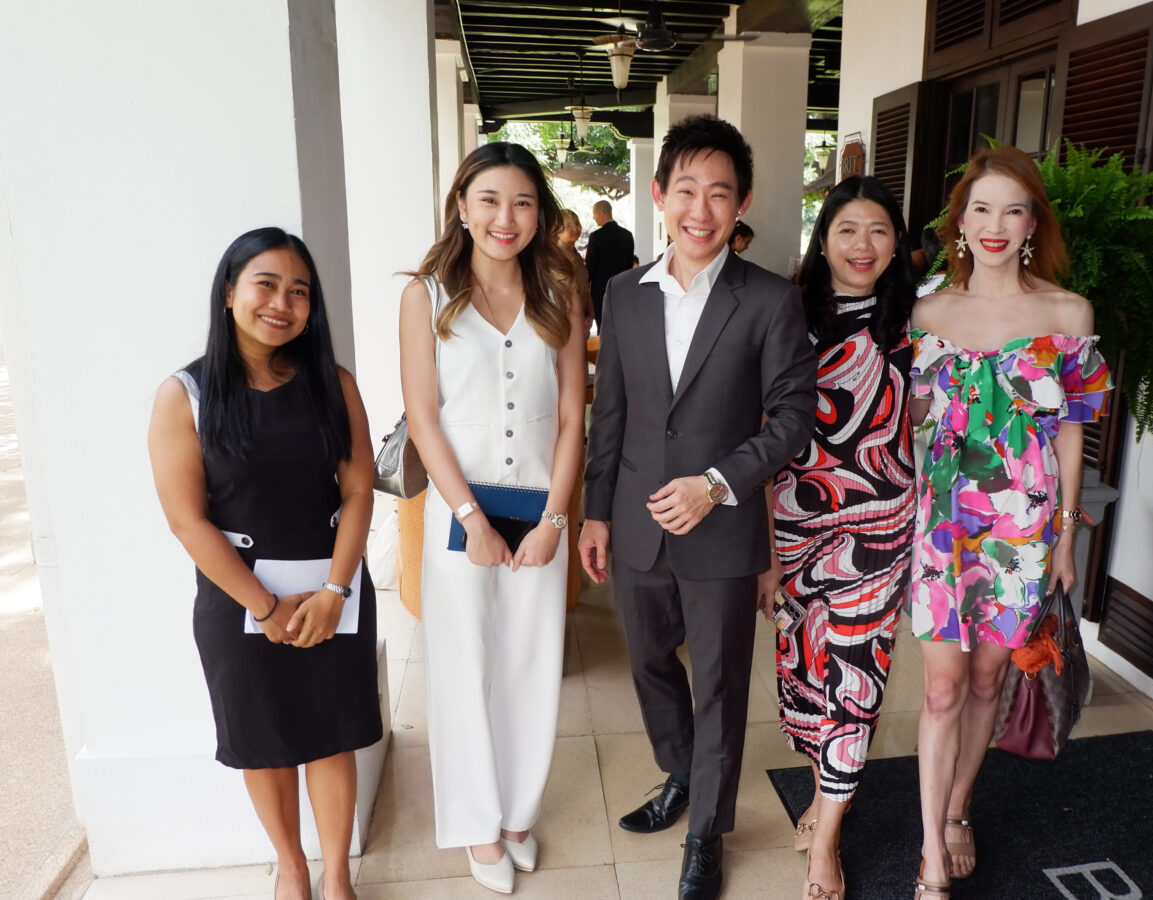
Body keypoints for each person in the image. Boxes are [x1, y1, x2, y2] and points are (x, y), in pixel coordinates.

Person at [579, 115, 817, 900]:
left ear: (740, 203)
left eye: (719, 193)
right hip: (635, 520)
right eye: (687, 190)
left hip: (722, 527)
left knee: (717, 683)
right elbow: (612, 412)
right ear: (659, 195)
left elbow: (792, 419)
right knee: (648, 663)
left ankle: (705, 832)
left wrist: (714, 484)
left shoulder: (769, 300)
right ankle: (682, 772)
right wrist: (596, 512)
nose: (701, 209)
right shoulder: (622, 294)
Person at [148, 227, 381, 900]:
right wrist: (266, 606)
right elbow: (187, 520)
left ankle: (338, 877)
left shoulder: (333, 384)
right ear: (230, 293)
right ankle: (292, 868)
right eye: (267, 285)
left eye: (299, 291)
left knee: (333, 736)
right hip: (239, 602)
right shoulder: (185, 394)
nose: (283, 303)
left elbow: (359, 490)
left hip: (332, 591)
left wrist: (336, 590)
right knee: (266, 741)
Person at [906, 146, 1113, 899]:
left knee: (989, 678)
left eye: (1013, 210)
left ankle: (959, 808)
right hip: (944, 525)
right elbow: (911, 418)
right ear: (960, 222)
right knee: (941, 690)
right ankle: (931, 853)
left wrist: (1065, 534)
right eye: (981, 209)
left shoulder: (1068, 313)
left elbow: (1072, 431)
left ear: (1033, 224)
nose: (995, 225)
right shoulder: (928, 312)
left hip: (1024, 530)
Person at [399, 142, 586, 894]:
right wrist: (472, 518)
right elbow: (422, 416)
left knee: (532, 664)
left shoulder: (560, 290)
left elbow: (571, 417)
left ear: (540, 213)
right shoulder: (426, 295)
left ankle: (517, 815)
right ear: (462, 205)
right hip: (460, 514)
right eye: (489, 199)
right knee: (463, 665)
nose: (505, 217)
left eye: (522, 202)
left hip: (541, 510)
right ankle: (478, 824)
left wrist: (555, 521)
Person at [763, 176, 918, 900]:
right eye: (848, 229)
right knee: (804, 670)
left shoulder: (917, 323)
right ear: (822, 239)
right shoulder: (783, 316)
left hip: (882, 527)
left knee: (857, 679)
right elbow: (758, 432)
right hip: (794, 526)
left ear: (898, 243)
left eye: (879, 230)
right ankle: (825, 787)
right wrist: (764, 546)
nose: (863, 245)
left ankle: (826, 839)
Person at [584, 198, 634, 327]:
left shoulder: (596, 236)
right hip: (623, 287)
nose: (594, 218)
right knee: (621, 325)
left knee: (603, 326)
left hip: (601, 290)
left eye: (594, 215)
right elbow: (629, 263)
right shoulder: (627, 235)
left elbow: (590, 266)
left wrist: (585, 285)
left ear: (601, 213)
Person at [559, 208, 594, 332]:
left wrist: (590, 313)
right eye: (568, 226)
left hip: (581, 318)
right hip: (565, 322)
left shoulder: (576, 255)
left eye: (577, 223)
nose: (575, 228)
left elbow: (585, 286)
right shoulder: (556, 257)